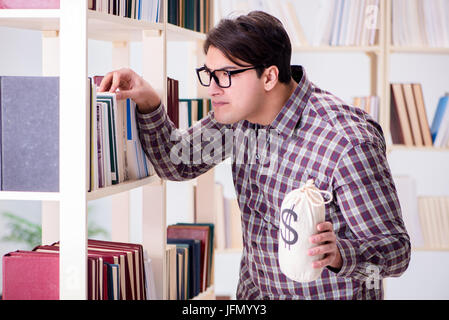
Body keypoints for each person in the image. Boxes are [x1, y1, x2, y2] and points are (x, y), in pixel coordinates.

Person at [99, 10, 411, 299]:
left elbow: (397, 253)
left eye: (225, 75)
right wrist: (149, 102)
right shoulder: (238, 118)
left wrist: (342, 253)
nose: (212, 89)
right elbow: (176, 163)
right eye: (209, 74)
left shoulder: (347, 142)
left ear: (269, 77)